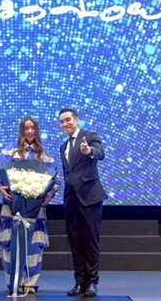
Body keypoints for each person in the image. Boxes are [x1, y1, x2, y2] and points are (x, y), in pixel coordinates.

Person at [0, 116, 59, 294]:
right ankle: (14, 282)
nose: (29, 131)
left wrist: (50, 194)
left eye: (32, 128)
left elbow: (56, 179)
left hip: (35, 211)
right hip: (12, 208)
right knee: (10, 245)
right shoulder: (10, 151)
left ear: (37, 130)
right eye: (26, 128)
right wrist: (1, 188)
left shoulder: (43, 154)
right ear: (21, 130)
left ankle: (30, 283)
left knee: (33, 246)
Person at [58, 108, 107, 297]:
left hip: (90, 198)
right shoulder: (63, 146)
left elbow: (100, 153)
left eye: (68, 120)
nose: (65, 124)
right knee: (75, 243)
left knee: (90, 241)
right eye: (62, 122)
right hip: (71, 200)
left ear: (76, 120)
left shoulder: (90, 136)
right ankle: (79, 282)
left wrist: (90, 151)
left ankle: (92, 282)